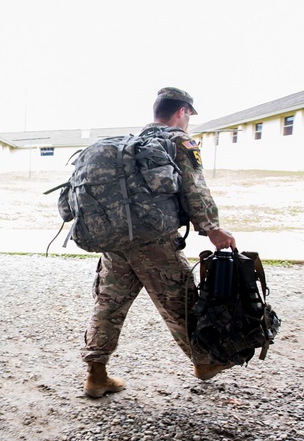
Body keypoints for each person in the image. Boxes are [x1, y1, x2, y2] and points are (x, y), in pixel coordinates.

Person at [81, 87, 237, 398]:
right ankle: (203, 362)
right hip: (155, 243)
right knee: (182, 302)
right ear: (182, 112)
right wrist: (212, 229)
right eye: (189, 115)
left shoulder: (131, 145)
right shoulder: (178, 140)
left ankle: (96, 375)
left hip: (117, 241)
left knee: (109, 305)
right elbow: (194, 187)